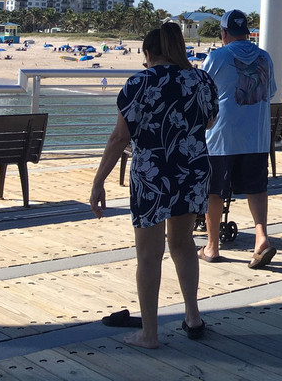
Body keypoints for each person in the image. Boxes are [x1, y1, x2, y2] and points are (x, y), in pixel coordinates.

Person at [90, 22, 216, 348]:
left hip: (152, 175)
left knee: (149, 255)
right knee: (183, 243)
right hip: (191, 169)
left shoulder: (139, 83)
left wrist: (99, 181)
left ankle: (149, 334)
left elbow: (120, 137)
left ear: (149, 53)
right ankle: (193, 316)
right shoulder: (201, 79)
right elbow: (210, 120)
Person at [200, 9, 278, 268]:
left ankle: (212, 247)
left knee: (215, 192)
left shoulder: (217, 57)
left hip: (221, 137)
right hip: (256, 137)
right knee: (256, 188)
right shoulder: (265, 57)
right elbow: (271, 91)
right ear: (246, 32)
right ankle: (261, 238)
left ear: (223, 33)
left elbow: (201, 91)